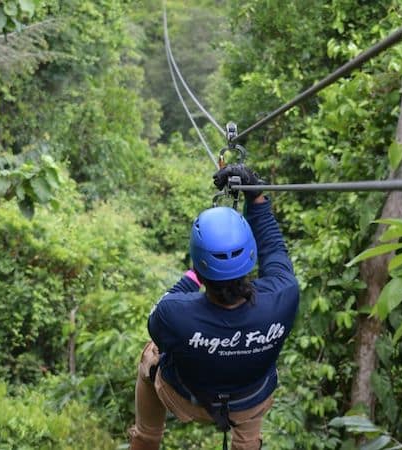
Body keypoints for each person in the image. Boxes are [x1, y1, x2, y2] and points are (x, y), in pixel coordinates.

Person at [128, 164, 300, 450]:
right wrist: (255, 196)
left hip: (186, 399)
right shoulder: (282, 296)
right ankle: (246, 443)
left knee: (151, 353)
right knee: (254, 398)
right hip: (249, 401)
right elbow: (274, 249)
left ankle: (146, 439)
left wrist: (193, 275)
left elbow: (161, 313)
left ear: (199, 265)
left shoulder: (175, 314)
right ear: (250, 256)